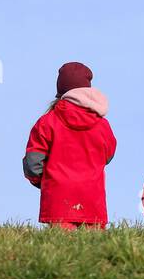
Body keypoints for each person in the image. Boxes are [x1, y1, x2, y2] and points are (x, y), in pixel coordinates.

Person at [22, 61, 117, 228]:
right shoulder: (102, 125)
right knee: (96, 252)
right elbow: (108, 156)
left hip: (58, 202)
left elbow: (32, 163)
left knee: (60, 251)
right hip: (92, 201)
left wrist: (43, 182)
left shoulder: (47, 122)